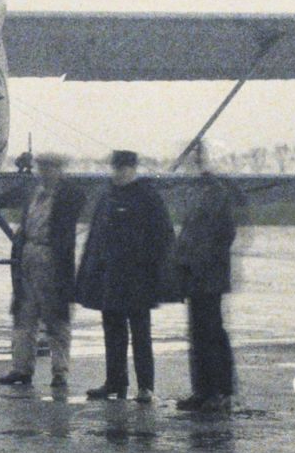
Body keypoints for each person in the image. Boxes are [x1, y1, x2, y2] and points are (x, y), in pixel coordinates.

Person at [74, 149, 174, 404]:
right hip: (110, 278)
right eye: (116, 168)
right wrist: (88, 273)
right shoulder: (107, 198)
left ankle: (145, 387)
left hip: (139, 279)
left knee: (141, 333)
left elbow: (164, 237)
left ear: (133, 169)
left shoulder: (148, 198)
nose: (119, 173)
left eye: (123, 168)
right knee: (113, 331)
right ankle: (115, 382)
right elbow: (95, 239)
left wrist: (158, 272)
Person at [0, 150, 84, 392]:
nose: (44, 172)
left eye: (50, 168)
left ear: (59, 170)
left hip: (53, 260)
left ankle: (60, 371)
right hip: (29, 257)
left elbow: (77, 200)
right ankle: (21, 368)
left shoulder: (67, 196)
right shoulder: (34, 194)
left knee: (56, 319)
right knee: (24, 316)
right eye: (42, 167)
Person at [172, 145, 239, 413]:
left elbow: (224, 233)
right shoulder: (196, 191)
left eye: (192, 161)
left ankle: (219, 392)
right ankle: (202, 390)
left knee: (211, 332)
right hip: (195, 274)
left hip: (209, 275)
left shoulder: (214, 192)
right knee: (198, 332)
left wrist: (202, 259)